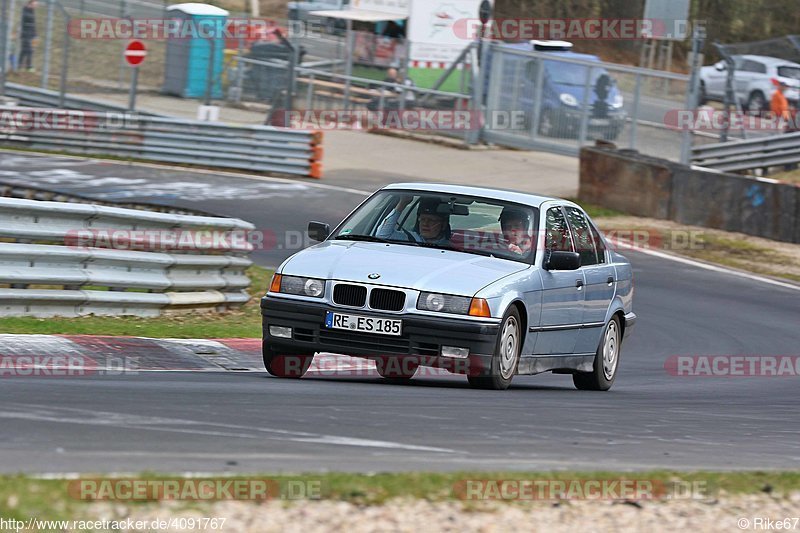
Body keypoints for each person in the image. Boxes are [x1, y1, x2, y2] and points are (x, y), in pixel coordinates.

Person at [375, 196, 451, 244]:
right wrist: (402, 203)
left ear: (443, 225)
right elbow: (382, 235)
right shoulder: (410, 238)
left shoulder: (452, 247)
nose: (425, 223)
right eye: (422, 219)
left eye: (431, 220)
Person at [19, 0, 37, 72]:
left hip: (32, 35)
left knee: (25, 50)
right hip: (26, 34)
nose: (36, 6)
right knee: (29, 50)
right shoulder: (25, 11)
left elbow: (33, 25)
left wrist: (35, 35)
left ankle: (19, 65)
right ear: (30, 4)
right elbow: (25, 21)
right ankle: (28, 66)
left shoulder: (32, 11)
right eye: (34, 4)